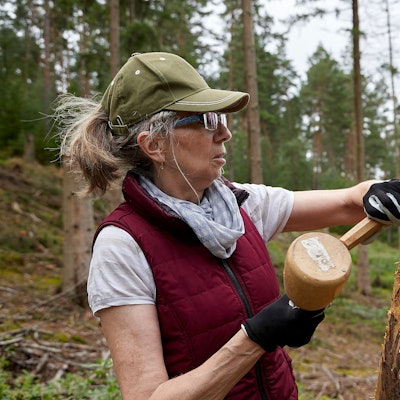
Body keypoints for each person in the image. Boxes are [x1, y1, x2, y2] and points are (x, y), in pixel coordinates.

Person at [55, 52, 400, 400]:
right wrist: (256, 338)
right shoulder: (122, 245)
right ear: (155, 144)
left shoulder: (240, 204)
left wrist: (375, 191)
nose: (225, 133)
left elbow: (347, 203)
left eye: (219, 117)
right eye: (206, 120)